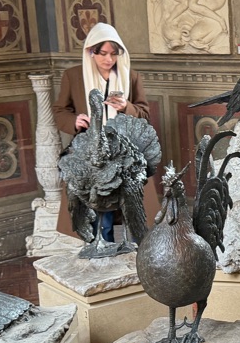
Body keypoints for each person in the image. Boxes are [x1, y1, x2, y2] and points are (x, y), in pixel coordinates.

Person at [52, 22, 160, 242]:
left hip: (125, 152)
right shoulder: (73, 76)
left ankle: (135, 252)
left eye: (113, 53)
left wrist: (126, 107)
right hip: (90, 151)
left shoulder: (131, 76)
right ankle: (101, 247)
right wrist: (75, 120)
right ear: (91, 51)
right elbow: (60, 111)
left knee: (132, 207)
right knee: (96, 204)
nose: (109, 59)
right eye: (103, 53)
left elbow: (144, 114)